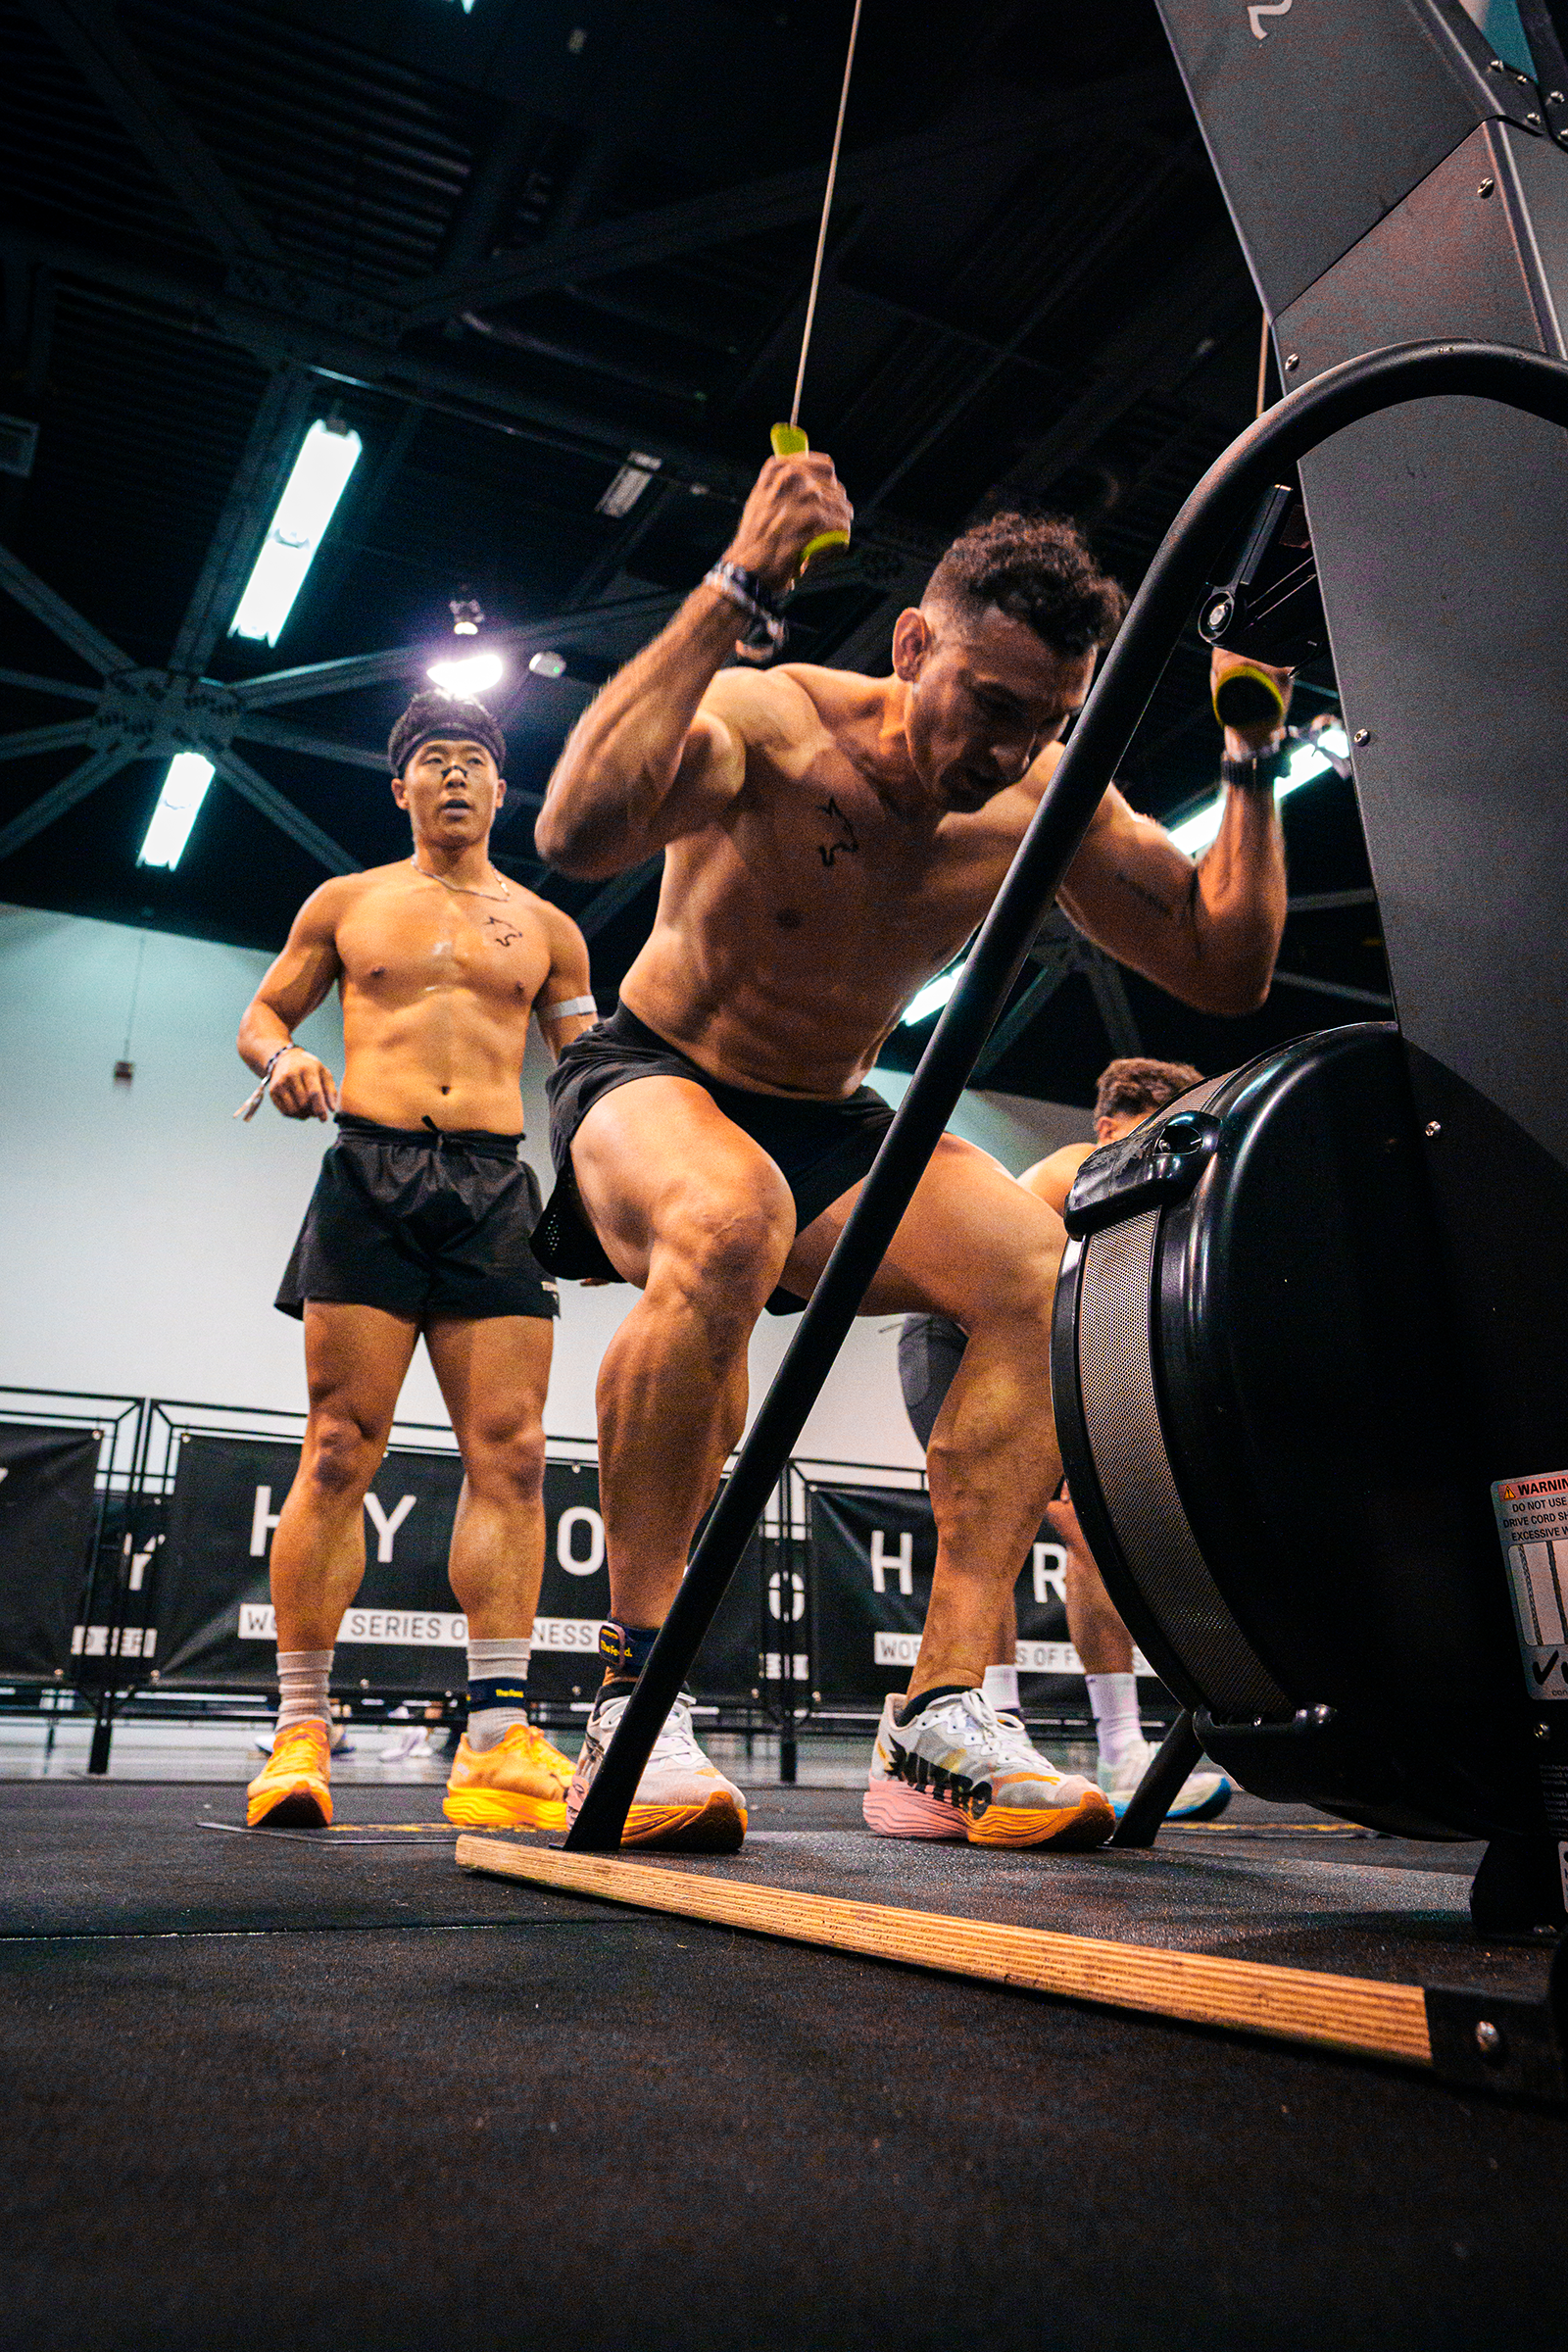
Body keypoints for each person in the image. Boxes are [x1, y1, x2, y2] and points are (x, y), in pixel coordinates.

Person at [531, 446, 1290, 1853]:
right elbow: (574, 830)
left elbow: (1222, 967)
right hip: (651, 1076)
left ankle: (939, 1718)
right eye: (991, 706)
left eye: (1044, 718)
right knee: (727, 1219)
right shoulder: (777, 719)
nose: (1007, 750)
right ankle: (630, 1710)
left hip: (832, 1119)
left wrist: (1248, 744)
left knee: (1045, 1276)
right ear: (912, 644)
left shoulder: (1035, 797)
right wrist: (736, 584)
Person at [236, 690, 598, 1833]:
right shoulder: (347, 903)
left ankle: (495, 1736)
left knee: (518, 1452)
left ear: (501, 788)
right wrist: (286, 1056)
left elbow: (588, 1075)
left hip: (496, 1187)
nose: (452, 776)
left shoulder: (548, 928)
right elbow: (260, 1015)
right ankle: (299, 1730)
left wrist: (607, 1191)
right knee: (340, 1444)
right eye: (431, 761)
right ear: (400, 789)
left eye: (473, 761)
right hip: (369, 1172)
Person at [898, 1055, 1233, 1823]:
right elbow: (993, 1274)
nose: (1171, 1149)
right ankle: (994, 1725)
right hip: (957, 1332)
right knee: (990, 1526)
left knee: (1094, 1525)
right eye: (1157, 1131)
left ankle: (1122, 1749)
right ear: (1112, 1128)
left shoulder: (1148, 1195)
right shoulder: (1080, 1167)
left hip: (1055, 1342)